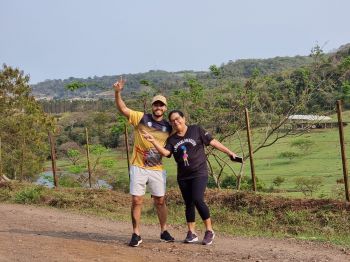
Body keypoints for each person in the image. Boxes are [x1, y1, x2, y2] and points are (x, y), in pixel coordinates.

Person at [143, 110, 239, 245]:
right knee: (189, 203)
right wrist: (153, 141)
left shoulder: (196, 130)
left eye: (177, 119)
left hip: (199, 173)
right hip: (183, 176)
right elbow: (166, 153)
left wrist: (229, 152)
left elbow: (213, 142)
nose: (176, 122)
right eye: (172, 121)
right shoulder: (172, 139)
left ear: (184, 118)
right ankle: (191, 232)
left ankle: (209, 231)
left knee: (198, 199)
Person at [113, 77, 175, 247]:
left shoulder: (169, 127)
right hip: (138, 166)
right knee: (137, 200)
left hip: (157, 168)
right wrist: (117, 93)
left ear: (165, 108)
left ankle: (163, 231)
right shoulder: (141, 118)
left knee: (160, 201)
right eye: (156, 104)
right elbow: (123, 109)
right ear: (152, 106)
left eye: (161, 105)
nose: (158, 107)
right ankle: (136, 233)